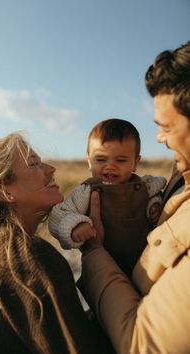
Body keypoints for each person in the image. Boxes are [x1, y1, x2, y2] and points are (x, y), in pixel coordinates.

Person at [0, 133, 110, 354]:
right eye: (34, 163)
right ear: (4, 190)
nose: (50, 169)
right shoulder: (26, 257)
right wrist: (96, 251)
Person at [81, 41, 190, 354]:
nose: (159, 138)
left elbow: (140, 343)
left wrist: (92, 250)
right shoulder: (179, 176)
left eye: (166, 126)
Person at [49, 118, 166, 276]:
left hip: (145, 263)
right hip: (102, 265)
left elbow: (155, 196)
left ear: (135, 163)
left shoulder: (144, 186)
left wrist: (154, 206)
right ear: (89, 161)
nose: (110, 166)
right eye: (101, 159)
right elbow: (59, 214)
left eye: (121, 160)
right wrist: (76, 226)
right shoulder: (87, 191)